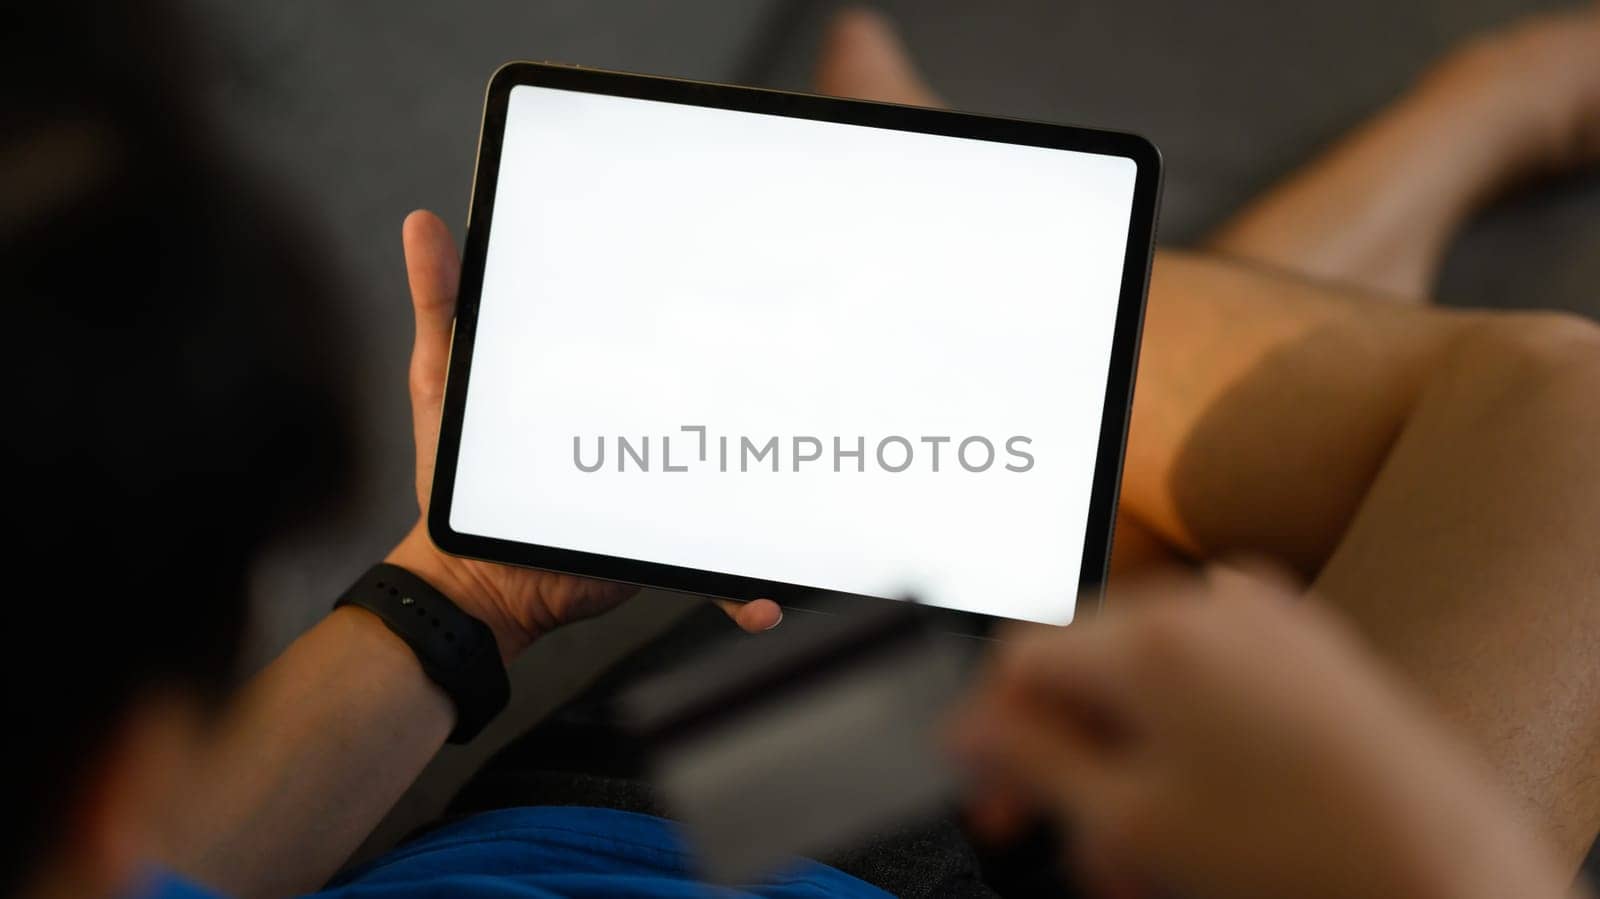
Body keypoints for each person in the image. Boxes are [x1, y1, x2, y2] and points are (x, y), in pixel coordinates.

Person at [7, 3, 1598, 899]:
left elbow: (164, 871)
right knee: (1545, 434)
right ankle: (947, 218)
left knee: (1034, 516)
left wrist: (467, 592)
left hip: (648, 815)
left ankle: (918, 216)